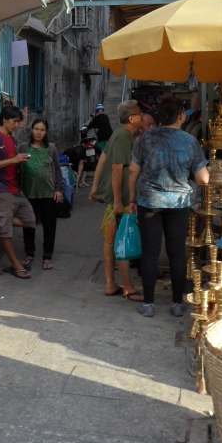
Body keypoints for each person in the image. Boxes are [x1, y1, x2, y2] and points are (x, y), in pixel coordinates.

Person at [128, 96, 209, 318]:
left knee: (150, 253)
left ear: (160, 116)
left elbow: (133, 170)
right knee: (177, 253)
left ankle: (148, 303)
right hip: (178, 204)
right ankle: (177, 303)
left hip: (149, 202)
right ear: (181, 116)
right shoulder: (190, 141)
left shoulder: (147, 137)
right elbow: (203, 179)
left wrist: (132, 199)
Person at [89, 100, 143, 300]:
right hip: (122, 201)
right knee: (121, 241)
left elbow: (102, 160)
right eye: (140, 113)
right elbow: (116, 168)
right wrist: (119, 201)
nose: (142, 116)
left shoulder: (119, 134)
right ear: (132, 118)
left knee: (111, 239)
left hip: (118, 199)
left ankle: (111, 283)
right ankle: (127, 287)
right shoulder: (123, 136)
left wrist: (95, 188)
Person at [0, 106, 36, 280]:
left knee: (30, 220)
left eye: (18, 122)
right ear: (4, 120)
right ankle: (16, 264)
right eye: (14, 121)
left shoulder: (11, 138)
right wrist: (13, 160)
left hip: (15, 189)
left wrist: (19, 160)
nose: (16, 125)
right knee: (5, 231)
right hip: (1, 190)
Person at [18, 119, 64, 270]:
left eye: (42, 130)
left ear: (46, 132)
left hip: (48, 194)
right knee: (28, 224)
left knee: (49, 225)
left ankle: (47, 256)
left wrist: (59, 189)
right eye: (36, 129)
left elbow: (57, 169)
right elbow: (17, 169)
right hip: (28, 193)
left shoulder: (51, 149)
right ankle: (29, 252)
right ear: (31, 130)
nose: (38, 132)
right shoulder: (23, 147)